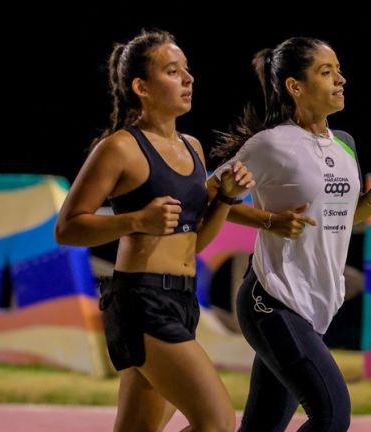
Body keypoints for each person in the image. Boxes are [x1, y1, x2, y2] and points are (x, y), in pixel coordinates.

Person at [54, 29, 254, 432]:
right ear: (141, 87)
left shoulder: (194, 148)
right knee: (216, 422)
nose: (188, 79)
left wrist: (225, 200)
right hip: (142, 301)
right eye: (172, 71)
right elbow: (67, 228)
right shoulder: (119, 148)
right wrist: (135, 221)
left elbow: (194, 242)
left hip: (182, 299)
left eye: (187, 71)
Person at [211, 37, 371, 431]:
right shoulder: (270, 144)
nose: (341, 79)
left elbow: (345, 218)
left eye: (338, 70)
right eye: (326, 71)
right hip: (272, 301)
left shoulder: (345, 145)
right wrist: (268, 221)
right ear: (295, 86)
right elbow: (211, 197)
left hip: (314, 304)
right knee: (332, 416)